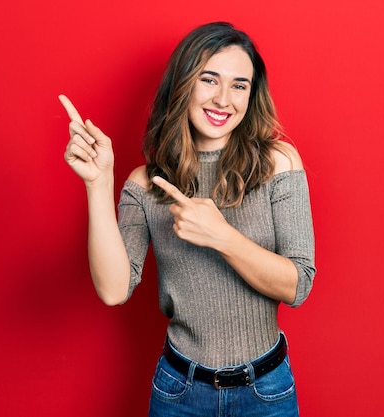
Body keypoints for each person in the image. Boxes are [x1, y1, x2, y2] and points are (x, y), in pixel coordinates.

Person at [60, 22, 316, 417]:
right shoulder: (146, 185)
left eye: (239, 85)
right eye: (209, 79)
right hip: (181, 393)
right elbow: (113, 290)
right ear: (183, 83)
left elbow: (297, 286)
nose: (223, 99)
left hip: (266, 391)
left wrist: (221, 236)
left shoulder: (278, 162)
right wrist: (99, 183)